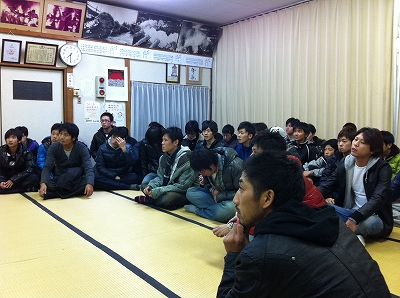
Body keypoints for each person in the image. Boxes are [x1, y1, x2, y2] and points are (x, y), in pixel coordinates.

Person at [217, 151, 391, 297]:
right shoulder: (334, 222)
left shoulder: (260, 254)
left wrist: (234, 256)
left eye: (241, 188)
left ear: (267, 198)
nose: (235, 199)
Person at [318, 127, 393, 241]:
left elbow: (378, 198)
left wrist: (355, 218)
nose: (356, 144)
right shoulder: (347, 162)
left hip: (373, 216)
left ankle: (340, 234)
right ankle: (351, 235)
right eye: (356, 139)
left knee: (368, 223)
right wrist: (311, 196)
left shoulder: (382, 167)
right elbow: (329, 183)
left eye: (362, 142)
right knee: (320, 206)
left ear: (372, 150)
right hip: (349, 211)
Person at [135, 127, 195, 209]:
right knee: (145, 186)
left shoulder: (187, 158)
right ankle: (155, 200)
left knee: (167, 199)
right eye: (162, 140)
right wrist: (151, 186)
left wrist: (159, 191)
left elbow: (183, 186)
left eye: (165, 140)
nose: (162, 143)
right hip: (168, 187)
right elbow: (160, 178)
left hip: (183, 192)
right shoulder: (163, 158)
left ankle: (149, 200)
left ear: (175, 142)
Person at [185, 147, 242, 222]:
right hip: (215, 198)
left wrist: (220, 196)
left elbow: (241, 192)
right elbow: (207, 185)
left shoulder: (235, 166)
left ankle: (198, 211)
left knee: (230, 209)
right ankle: (216, 210)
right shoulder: (206, 167)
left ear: (212, 165)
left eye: (202, 171)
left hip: (232, 200)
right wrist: (212, 190)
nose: (201, 173)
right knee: (190, 192)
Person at [39, 123, 94, 199]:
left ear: (74, 138)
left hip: (76, 179)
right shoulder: (53, 148)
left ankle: (56, 194)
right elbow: (47, 167)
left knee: (90, 181)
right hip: (60, 178)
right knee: (48, 183)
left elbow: (88, 167)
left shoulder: (82, 148)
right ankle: (68, 193)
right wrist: (43, 183)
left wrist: (90, 183)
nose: (62, 137)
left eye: (66, 135)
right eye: (60, 134)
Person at [0, 128, 39, 193]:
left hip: (20, 179)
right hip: (6, 178)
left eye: (13, 138)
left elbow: (30, 168)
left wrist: (14, 180)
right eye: (8, 138)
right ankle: (19, 189)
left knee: (34, 178)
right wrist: (1, 181)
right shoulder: (1, 151)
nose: (10, 140)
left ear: (18, 140)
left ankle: (9, 190)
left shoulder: (26, 151)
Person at [139, 124, 165, 190]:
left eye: (157, 142)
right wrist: (144, 176)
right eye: (153, 142)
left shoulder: (165, 142)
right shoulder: (144, 143)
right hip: (153, 172)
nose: (155, 144)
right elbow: (143, 161)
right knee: (144, 186)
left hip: (166, 172)